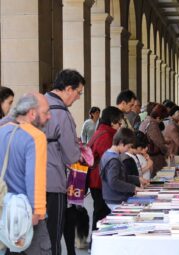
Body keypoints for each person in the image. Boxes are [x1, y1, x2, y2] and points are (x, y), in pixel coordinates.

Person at [0, 93, 51, 254]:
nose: (49, 117)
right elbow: (35, 178)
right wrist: (38, 212)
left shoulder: (2, 131)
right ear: (32, 113)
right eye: (45, 112)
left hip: (5, 214)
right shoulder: (36, 137)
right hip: (28, 215)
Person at [43, 69, 85, 255]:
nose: (77, 98)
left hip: (29, 181)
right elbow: (71, 156)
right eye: (78, 93)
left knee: (35, 235)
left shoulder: (35, 105)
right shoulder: (62, 114)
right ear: (68, 89)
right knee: (54, 235)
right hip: (53, 181)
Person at [88, 106, 124, 232]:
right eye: (119, 123)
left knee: (100, 211)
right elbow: (109, 161)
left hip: (96, 179)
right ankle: (95, 242)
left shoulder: (101, 131)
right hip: (99, 180)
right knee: (101, 212)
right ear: (112, 122)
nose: (120, 126)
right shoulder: (107, 136)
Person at [100, 128, 147, 211]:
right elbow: (114, 182)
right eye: (128, 147)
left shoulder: (107, 154)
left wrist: (137, 179)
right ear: (121, 143)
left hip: (111, 197)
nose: (128, 150)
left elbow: (121, 176)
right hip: (116, 199)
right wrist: (133, 188)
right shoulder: (114, 160)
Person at [139, 104, 169, 177]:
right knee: (158, 179)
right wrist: (167, 151)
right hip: (154, 157)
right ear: (158, 117)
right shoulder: (153, 124)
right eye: (162, 119)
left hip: (147, 154)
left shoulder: (146, 121)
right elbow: (159, 142)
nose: (162, 121)